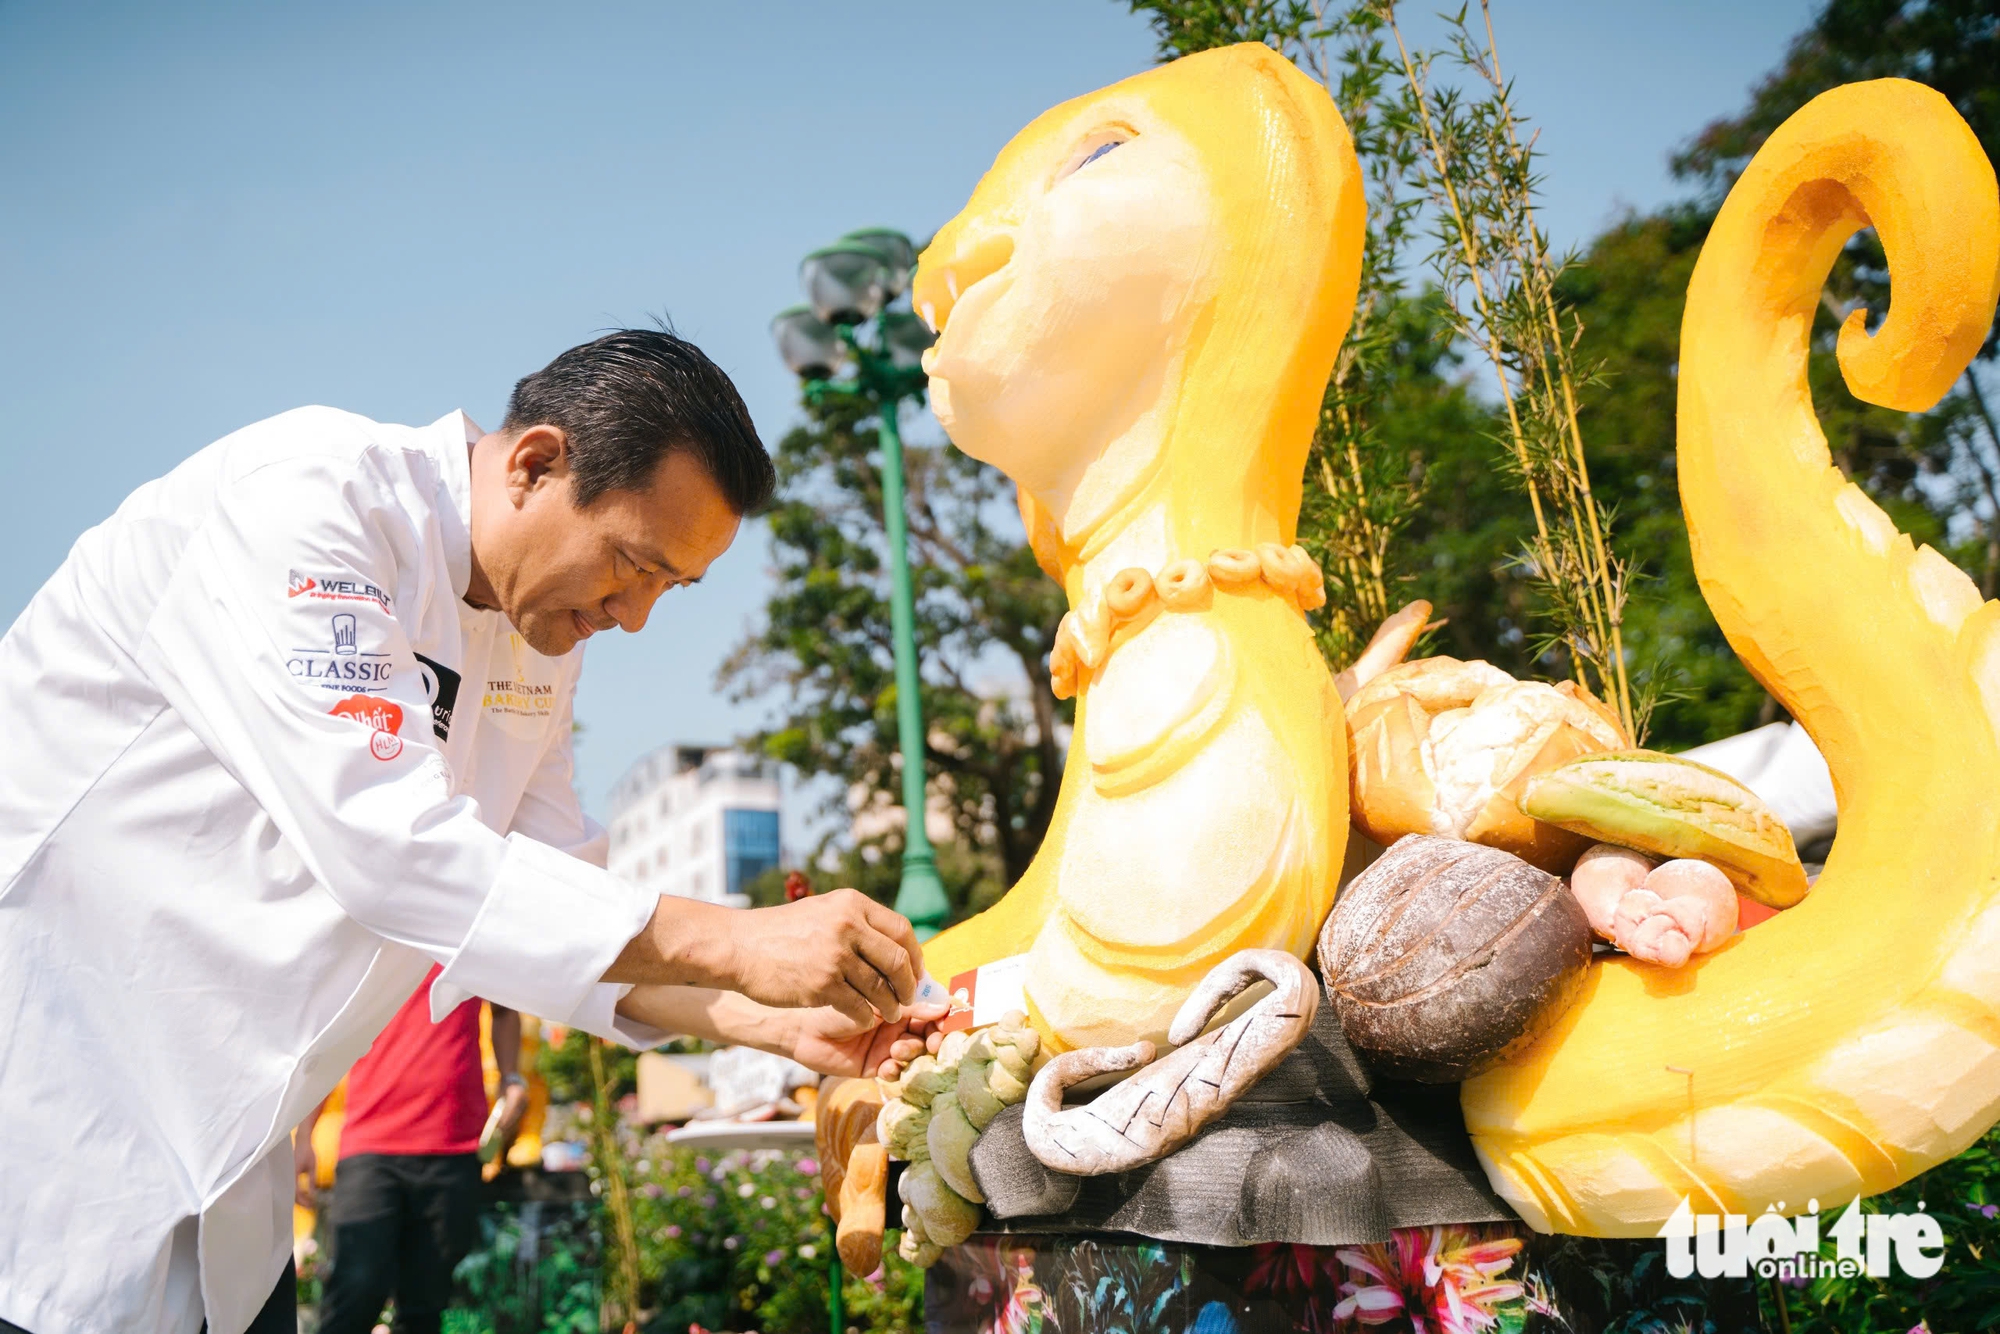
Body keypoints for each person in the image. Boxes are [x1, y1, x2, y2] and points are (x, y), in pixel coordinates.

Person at [0, 330, 939, 1334]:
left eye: (672, 586)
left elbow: (549, 910)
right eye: (631, 563)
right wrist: (741, 941)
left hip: (225, 1178)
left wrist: (775, 1021)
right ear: (535, 463)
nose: (634, 617)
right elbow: (392, 851)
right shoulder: (313, 501)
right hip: (54, 1127)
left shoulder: (539, 642)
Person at [296, 968, 526, 1334]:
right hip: (371, 1149)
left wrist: (512, 1077)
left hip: (454, 1148)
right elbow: (329, 1041)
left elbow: (504, 1010)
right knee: (354, 1295)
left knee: (424, 1308)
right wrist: (303, 1135)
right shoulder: (371, 935)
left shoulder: (466, 936)